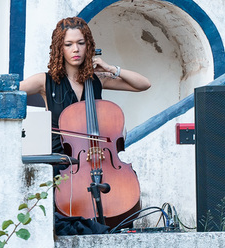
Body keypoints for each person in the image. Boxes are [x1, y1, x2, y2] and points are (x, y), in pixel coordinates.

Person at [20, 17, 152, 233]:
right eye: (69, 44)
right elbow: (10, 92)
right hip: (62, 164)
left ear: (88, 45)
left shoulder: (97, 78)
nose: (76, 49)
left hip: (100, 159)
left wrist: (111, 68)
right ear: (59, 48)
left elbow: (143, 84)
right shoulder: (44, 81)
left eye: (81, 43)